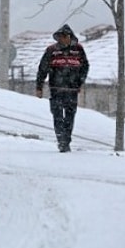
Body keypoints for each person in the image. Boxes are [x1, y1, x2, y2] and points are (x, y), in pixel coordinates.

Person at [35, 24, 89, 152]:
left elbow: (85, 67)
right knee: (57, 116)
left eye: (64, 36)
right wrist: (39, 86)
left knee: (69, 117)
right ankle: (61, 141)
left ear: (70, 37)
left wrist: (79, 82)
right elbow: (42, 69)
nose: (62, 39)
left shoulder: (78, 50)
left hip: (72, 90)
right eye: (59, 37)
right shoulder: (51, 50)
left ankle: (67, 140)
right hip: (56, 89)